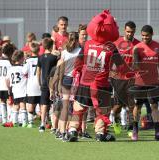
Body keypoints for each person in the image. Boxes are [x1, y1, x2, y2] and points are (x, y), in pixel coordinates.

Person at [67, 10, 123, 142]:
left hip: (85, 82)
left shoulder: (87, 44)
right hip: (102, 84)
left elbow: (79, 61)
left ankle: (72, 130)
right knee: (102, 111)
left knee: (79, 108)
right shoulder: (111, 47)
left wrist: (78, 71)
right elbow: (120, 65)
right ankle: (99, 133)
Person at [131, 25, 159, 141]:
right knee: (138, 106)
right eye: (143, 36)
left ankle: (157, 131)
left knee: (154, 106)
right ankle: (135, 130)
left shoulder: (158, 46)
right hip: (139, 82)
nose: (144, 38)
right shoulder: (137, 47)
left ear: (152, 34)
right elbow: (134, 66)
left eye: (147, 35)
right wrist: (136, 61)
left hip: (154, 82)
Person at [110, 21, 140, 130]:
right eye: (128, 32)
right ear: (124, 30)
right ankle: (116, 123)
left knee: (132, 104)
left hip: (131, 79)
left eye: (131, 32)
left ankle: (132, 126)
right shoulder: (117, 42)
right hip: (118, 78)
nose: (129, 34)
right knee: (118, 105)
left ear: (135, 31)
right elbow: (110, 58)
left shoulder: (138, 44)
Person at [56, 32, 83, 141]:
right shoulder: (80, 51)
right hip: (76, 79)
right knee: (74, 107)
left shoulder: (64, 52)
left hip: (65, 79)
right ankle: (71, 130)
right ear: (77, 40)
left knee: (65, 107)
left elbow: (61, 69)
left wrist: (58, 83)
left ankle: (62, 132)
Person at [37, 38, 58, 132]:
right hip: (53, 83)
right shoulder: (54, 57)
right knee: (53, 104)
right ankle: (54, 126)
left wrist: (40, 83)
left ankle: (42, 124)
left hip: (44, 84)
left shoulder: (40, 57)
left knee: (44, 104)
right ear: (51, 46)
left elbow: (38, 72)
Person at [6, 50, 27, 127]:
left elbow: (7, 80)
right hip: (23, 89)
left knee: (16, 106)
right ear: (21, 58)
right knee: (23, 105)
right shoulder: (23, 68)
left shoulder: (10, 69)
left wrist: (8, 89)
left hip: (15, 90)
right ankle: (24, 122)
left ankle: (14, 122)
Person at [24, 42, 41, 128]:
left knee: (30, 105)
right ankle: (43, 122)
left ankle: (30, 122)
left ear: (30, 51)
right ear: (39, 50)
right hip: (40, 84)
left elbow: (24, 72)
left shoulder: (28, 61)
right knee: (42, 103)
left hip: (31, 85)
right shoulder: (41, 59)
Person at [0, 44, 14, 125]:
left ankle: (3, 119)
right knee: (9, 101)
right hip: (6, 85)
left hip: (0, 85)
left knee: (2, 101)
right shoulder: (9, 63)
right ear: (10, 53)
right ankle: (9, 119)